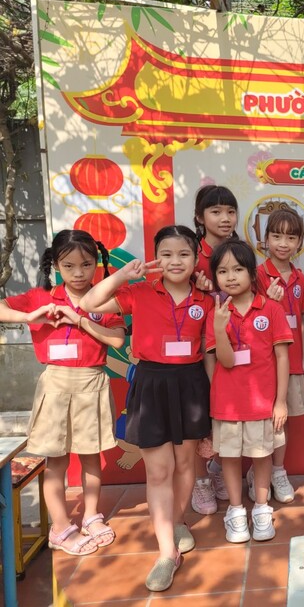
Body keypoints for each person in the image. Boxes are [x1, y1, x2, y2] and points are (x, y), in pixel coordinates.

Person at [80, 225, 213, 592]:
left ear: (196, 259)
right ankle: (167, 552)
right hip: (151, 383)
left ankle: (177, 520)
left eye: (183, 254)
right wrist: (123, 274)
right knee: (158, 471)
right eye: (166, 254)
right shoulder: (139, 292)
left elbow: (213, 346)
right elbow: (89, 304)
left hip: (191, 384)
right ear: (156, 258)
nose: (175, 261)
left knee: (185, 464)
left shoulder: (206, 299)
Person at [0, 230, 125, 556]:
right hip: (55, 384)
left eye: (86, 265)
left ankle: (92, 516)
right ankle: (60, 527)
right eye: (69, 266)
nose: (79, 273)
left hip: (92, 382)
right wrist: (28, 316)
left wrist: (82, 320)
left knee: (92, 456)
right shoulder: (39, 297)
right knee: (55, 460)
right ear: (55, 265)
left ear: (97, 263)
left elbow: (116, 339)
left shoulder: (103, 299)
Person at [206, 239, 292, 542]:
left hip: (262, 403)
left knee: (262, 455)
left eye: (238, 269)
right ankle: (236, 512)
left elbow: (282, 357)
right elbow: (226, 361)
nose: (230, 277)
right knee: (230, 457)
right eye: (222, 271)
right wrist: (220, 327)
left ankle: (262, 508)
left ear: (252, 273)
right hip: (228, 403)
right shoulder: (216, 313)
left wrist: (280, 402)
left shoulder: (271, 309)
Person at [249, 204, 304, 504]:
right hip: (264, 362)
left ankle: (277, 471)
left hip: (293, 359)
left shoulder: (301, 278)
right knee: (262, 421)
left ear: (300, 241)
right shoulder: (257, 275)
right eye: (276, 236)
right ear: (265, 239)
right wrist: (266, 300)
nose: (283, 244)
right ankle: (256, 472)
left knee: (282, 420)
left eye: (290, 237)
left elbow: (299, 319)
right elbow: (248, 319)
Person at [191, 185, 239, 514]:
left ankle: (219, 469)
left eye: (230, 211)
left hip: (232, 348)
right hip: (195, 350)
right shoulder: (191, 253)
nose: (225, 218)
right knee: (200, 419)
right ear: (200, 217)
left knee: (228, 414)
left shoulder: (240, 251)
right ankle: (201, 480)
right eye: (216, 212)